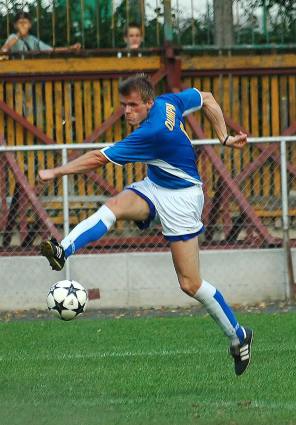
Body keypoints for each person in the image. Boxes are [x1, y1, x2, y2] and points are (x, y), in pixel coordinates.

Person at [39, 73, 253, 376]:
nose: (127, 111)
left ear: (148, 103)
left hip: (182, 199)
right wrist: (224, 137)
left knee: (190, 283)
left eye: (133, 106)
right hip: (155, 185)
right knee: (113, 206)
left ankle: (238, 335)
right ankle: (62, 249)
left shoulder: (151, 132)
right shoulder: (168, 102)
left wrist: (56, 172)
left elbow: (98, 158)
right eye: (123, 105)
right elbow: (206, 98)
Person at [0, 12, 81, 57]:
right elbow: (4, 50)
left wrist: (71, 48)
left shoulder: (33, 39)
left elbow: (50, 50)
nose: (23, 25)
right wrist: (19, 35)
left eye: (25, 22)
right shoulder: (13, 37)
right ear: (15, 25)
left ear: (30, 25)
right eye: (20, 23)